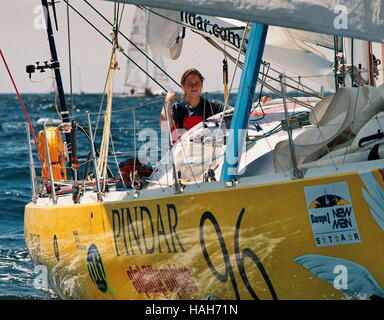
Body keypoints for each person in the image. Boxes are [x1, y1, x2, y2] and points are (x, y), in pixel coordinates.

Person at [160, 68, 226, 141]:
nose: (194, 87)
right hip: (182, 150)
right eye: (190, 84)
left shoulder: (214, 106)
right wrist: (167, 101)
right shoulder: (177, 108)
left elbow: (234, 114)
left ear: (201, 85)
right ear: (183, 86)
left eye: (197, 83)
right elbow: (164, 127)